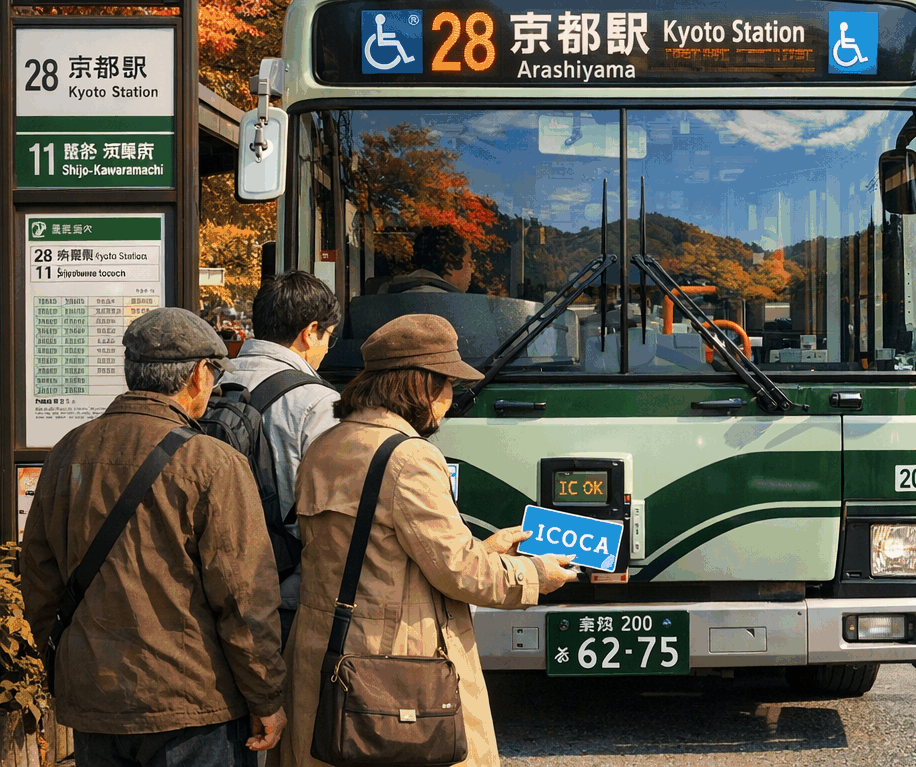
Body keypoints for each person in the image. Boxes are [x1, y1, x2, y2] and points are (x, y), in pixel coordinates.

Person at [277, 314, 578, 767]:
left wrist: (486, 549)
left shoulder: (327, 445)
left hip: (325, 652)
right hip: (395, 666)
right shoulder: (409, 456)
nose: (451, 400)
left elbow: (381, 550)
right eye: (449, 385)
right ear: (421, 386)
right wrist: (534, 574)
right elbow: (459, 572)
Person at [20, 307, 287, 767]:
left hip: (96, 697)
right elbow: (244, 600)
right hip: (191, 702)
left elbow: (40, 581)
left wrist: (68, 669)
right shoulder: (213, 463)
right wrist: (266, 697)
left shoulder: (68, 451)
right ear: (199, 375)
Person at [219, 270, 341, 643]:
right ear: (310, 331)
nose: (324, 350)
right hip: (286, 591)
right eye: (328, 339)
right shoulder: (317, 401)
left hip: (216, 578)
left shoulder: (212, 382)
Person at [382, 224, 475, 293]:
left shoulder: (389, 291)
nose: (472, 271)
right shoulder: (448, 304)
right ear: (449, 264)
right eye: (469, 263)